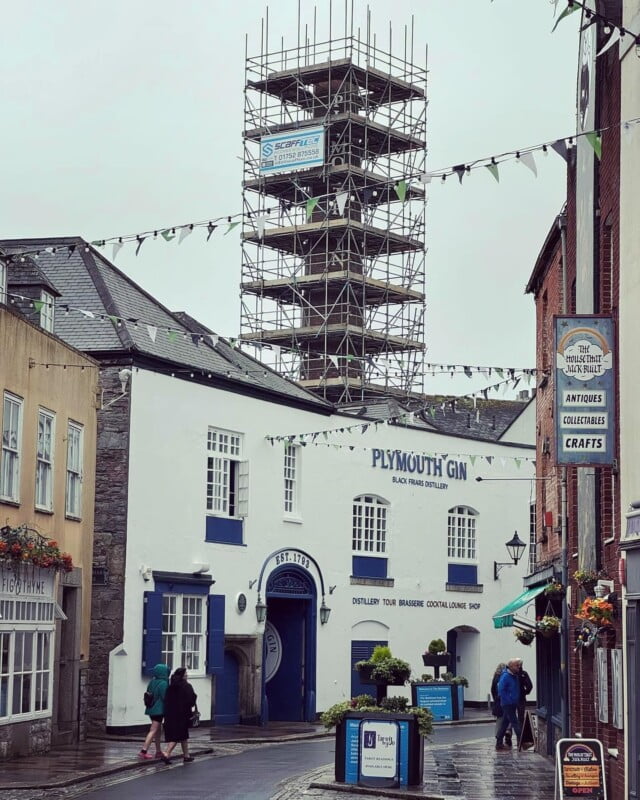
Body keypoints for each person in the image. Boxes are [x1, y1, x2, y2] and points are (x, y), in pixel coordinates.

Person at [161, 666, 198, 764]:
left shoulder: (170, 686)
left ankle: (186, 755)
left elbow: (166, 700)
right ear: (183, 675)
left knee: (183, 736)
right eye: (186, 674)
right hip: (182, 715)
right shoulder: (186, 686)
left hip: (170, 714)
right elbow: (191, 700)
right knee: (177, 736)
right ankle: (166, 753)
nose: (187, 675)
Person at [139, 663, 170, 760]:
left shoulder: (152, 682)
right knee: (153, 730)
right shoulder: (164, 683)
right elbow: (165, 697)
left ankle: (158, 751)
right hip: (159, 710)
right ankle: (143, 751)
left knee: (158, 730)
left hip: (151, 708)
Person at [495, 659, 522, 750]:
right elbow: (501, 690)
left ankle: (498, 743)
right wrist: (509, 700)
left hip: (512, 703)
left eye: (519, 665)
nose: (519, 667)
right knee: (515, 722)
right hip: (508, 704)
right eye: (517, 666)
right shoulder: (506, 676)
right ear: (510, 666)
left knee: (504, 723)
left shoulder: (514, 675)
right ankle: (521, 741)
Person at [490, 662, 507, 743]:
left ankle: (498, 736)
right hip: (504, 701)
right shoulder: (505, 677)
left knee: (500, 719)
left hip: (498, 701)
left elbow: (492, 689)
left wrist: (495, 699)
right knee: (505, 719)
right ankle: (501, 736)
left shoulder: (496, 677)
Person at [515, 657, 533, 727]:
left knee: (510, 716)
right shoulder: (524, 674)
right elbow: (529, 685)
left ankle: (509, 733)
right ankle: (520, 734)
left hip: (512, 698)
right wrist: (525, 692)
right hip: (521, 698)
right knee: (521, 717)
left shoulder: (512, 674)